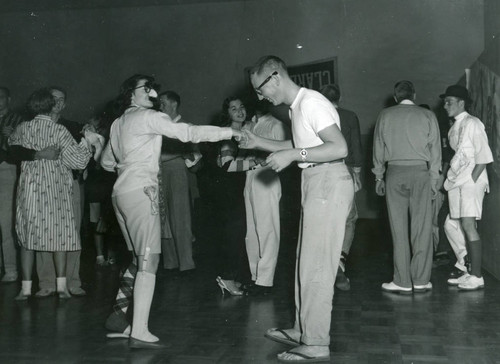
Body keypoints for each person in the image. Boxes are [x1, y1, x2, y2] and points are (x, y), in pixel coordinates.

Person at [100, 74, 241, 348]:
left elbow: (107, 162)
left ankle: (119, 318)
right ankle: (139, 329)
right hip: (142, 192)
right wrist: (231, 132)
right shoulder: (147, 117)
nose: (153, 94)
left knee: (137, 258)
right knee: (149, 261)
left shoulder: (119, 123)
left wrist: (124, 161)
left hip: (121, 193)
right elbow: (189, 133)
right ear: (131, 92)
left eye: (154, 90)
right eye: (147, 88)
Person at [240, 55, 353, 363]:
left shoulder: (312, 102)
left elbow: (339, 147)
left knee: (317, 265)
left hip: (328, 180)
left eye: (260, 89)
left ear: (275, 77)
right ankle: (302, 328)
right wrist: (258, 141)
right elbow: (299, 143)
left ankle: (316, 343)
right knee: (306, 260)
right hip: (315, 180)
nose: (261, 97)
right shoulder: (297, 107)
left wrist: (292, 155)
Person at [8, 88, 92, 300]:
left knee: (28, 238)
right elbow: (78, 161)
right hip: (56, 188)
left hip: (30, 188)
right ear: (50, 104)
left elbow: (12, 148)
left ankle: (26, 289)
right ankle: (60, 287)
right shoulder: (59, 130)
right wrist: (89, 144)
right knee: (61, 236)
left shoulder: (23, 127)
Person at [372, 80, 441, 294]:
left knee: (398, 229)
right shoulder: (428, 115)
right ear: (415, 94)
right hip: (421, 174)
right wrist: (434, 181)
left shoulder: (385, 115)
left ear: (395, 96)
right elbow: (436, 151)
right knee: (422, 229)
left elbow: (378, 149)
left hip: (394, 174)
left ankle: (401, 281)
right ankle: (420, 280)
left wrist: (378, 177)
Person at [35, 87, 88, 297]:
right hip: (42, 186)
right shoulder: (34, 126)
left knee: (72, 231)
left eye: (61, 99)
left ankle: (73, 281)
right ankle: (46, 282)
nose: (57, 103)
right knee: (42, 231)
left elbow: (85, 155)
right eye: (53, 99)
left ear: (65, 104)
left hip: (70, 184)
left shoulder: (74, 127)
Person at [440, 85, 493, 290]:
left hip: (471, 180)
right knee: (451, 224)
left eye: (449, 102)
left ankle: (477, 276)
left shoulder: (473, 123)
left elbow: (484, 156)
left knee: (469, 226)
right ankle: (467, 268)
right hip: (457, 181)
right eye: (445, 102)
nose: (445, 106)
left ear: (461, 103)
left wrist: (472, 179)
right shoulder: (455, 126)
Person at [243, 101, 290, 295]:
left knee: (267, 229)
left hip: (267, 176)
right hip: (250, 175)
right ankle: (255, 276)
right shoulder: (250, 124)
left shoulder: (276, 124)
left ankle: (265, 280)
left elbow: (285, 155)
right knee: (252, 230)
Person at [320, 84, 363, 291]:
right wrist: (357, 174)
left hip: (319, 171)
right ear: (340, 97)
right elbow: (355, 146)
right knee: (349, 218)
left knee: (323, 219)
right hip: (344, 170)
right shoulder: (349, 115)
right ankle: (340, 261)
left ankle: (324, 265)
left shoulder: (317, 115)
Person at [158, 91, 199, 272]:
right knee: (163, 219)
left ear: (174, 105)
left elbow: (195, 155)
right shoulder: (159, 127)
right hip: (159, 175)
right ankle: (170, 262)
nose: (160, 107)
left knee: (180, 218)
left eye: (163, 104)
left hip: (178, 174)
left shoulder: (185, 126)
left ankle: (186, 264)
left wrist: (185, 156)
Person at [215, 96, 252, 296]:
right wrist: (256, 162)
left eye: (242, 106)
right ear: (227, 113)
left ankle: (234, 277)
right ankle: (227, 278)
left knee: (238, 234)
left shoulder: (245, 131)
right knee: (233, 234)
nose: (239, 111)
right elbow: (228, 165)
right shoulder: (228, 135)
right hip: (228, 190)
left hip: (238, 188)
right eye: (233, 108)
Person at [0, 87, 24, 283]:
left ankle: (11, 269)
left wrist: (10, 138)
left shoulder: (17, 119)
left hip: (7, 170)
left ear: (8, 99)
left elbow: (22, 149)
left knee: (6, 220)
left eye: (0, 98)